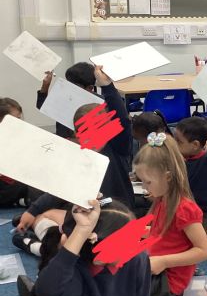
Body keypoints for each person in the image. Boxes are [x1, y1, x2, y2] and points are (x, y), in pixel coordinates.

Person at [14, 66, 135, 244]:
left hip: (116, 218)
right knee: (42, 217)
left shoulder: (117, 148)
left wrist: (107, 86)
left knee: (60, 231)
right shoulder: (80, 156)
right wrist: (32, 211)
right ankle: (46, 243)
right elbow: (60, 188)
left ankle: (38, 246)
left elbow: (122, 119)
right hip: (89, 217)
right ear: (77, 133)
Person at [133, 132, 207, 296]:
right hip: (157, 267)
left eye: (148, 182)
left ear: (167, 177)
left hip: (168, 280)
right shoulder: (162, 200)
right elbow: (163, 234)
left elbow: (204, 251)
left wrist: (164, 261)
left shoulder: (184, 208)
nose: (144, 187)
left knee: (117, 291)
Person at [174, 116, 207, 216]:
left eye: (179, 142)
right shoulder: (178, 159)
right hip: (181, 211)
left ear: (195, 145)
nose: (174, 144)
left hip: (203, 215)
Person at [36, 62, 96, 138]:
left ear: (90, 88)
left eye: (75, 86)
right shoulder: (65, 96)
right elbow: (42, 106)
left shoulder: (100, 105)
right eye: (68, 83)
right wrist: (45, 85)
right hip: (63, 141)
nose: (69, 88)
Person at [0, 98, 41, 208]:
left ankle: (23, 201)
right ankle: (25, 201)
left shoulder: (19, 136)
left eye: (19, 118)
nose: (19, 123)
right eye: (15, 119)